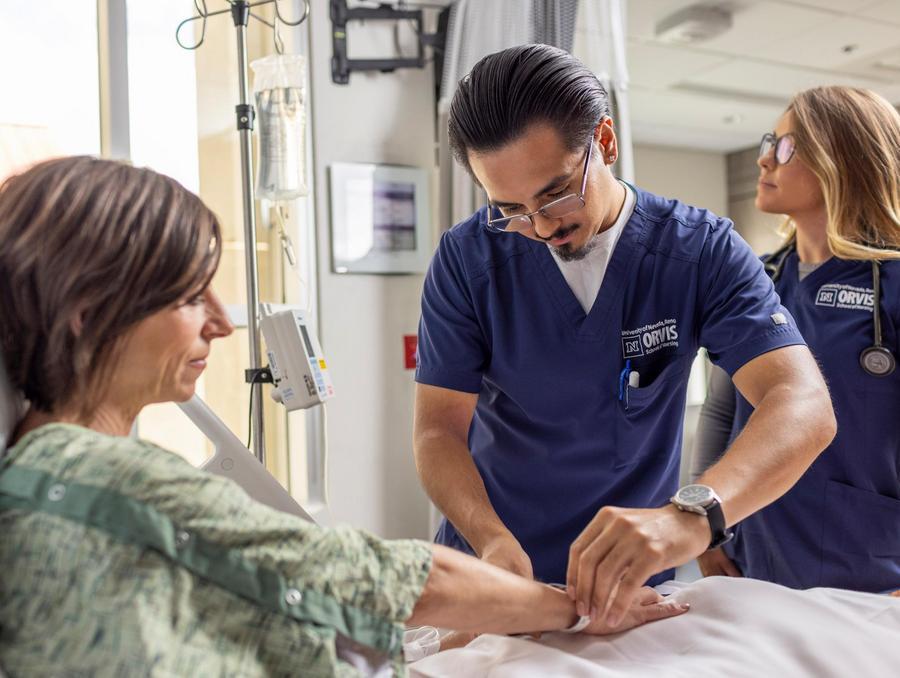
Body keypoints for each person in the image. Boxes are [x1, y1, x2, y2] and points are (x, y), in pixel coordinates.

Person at [0, 156, 688, 676]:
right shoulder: (100, 477)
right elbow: (404, 578)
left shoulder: (44, 474)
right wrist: (578, 608)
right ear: (86, 317)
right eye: (187, 299)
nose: (220, 323)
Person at [413, 43, 837, 629]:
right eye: (510, 207)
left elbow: (804, 405)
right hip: (490, 574)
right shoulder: (468, 259)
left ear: (604, 142)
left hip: (627, 589)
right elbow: (437, 430)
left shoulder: (699, 251)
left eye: (556, 194)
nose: (539, 228)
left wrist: (690, 518)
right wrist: (490, 541)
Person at [692, 86, 900, 593]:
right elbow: (722, 410)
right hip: (751, 555)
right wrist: (704, 523)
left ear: (840, 160)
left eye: (785, 147)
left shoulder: (892, 285)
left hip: (869, 573)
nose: (765, 158)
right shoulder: (757, 279)